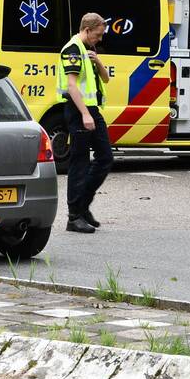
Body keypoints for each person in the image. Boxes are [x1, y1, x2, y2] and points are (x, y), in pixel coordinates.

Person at [55, 13, 113, 233]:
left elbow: (105, 79)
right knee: (79, 162)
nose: (100, 39)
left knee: (105, 157)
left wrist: (98, 61)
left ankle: (83, 205)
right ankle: (74, 217)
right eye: (98, 34)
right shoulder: (72, 49)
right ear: (87, 30)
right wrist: (85, 115)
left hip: (91, 109)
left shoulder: (88, 50)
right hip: (79, 110)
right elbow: (72, 86)